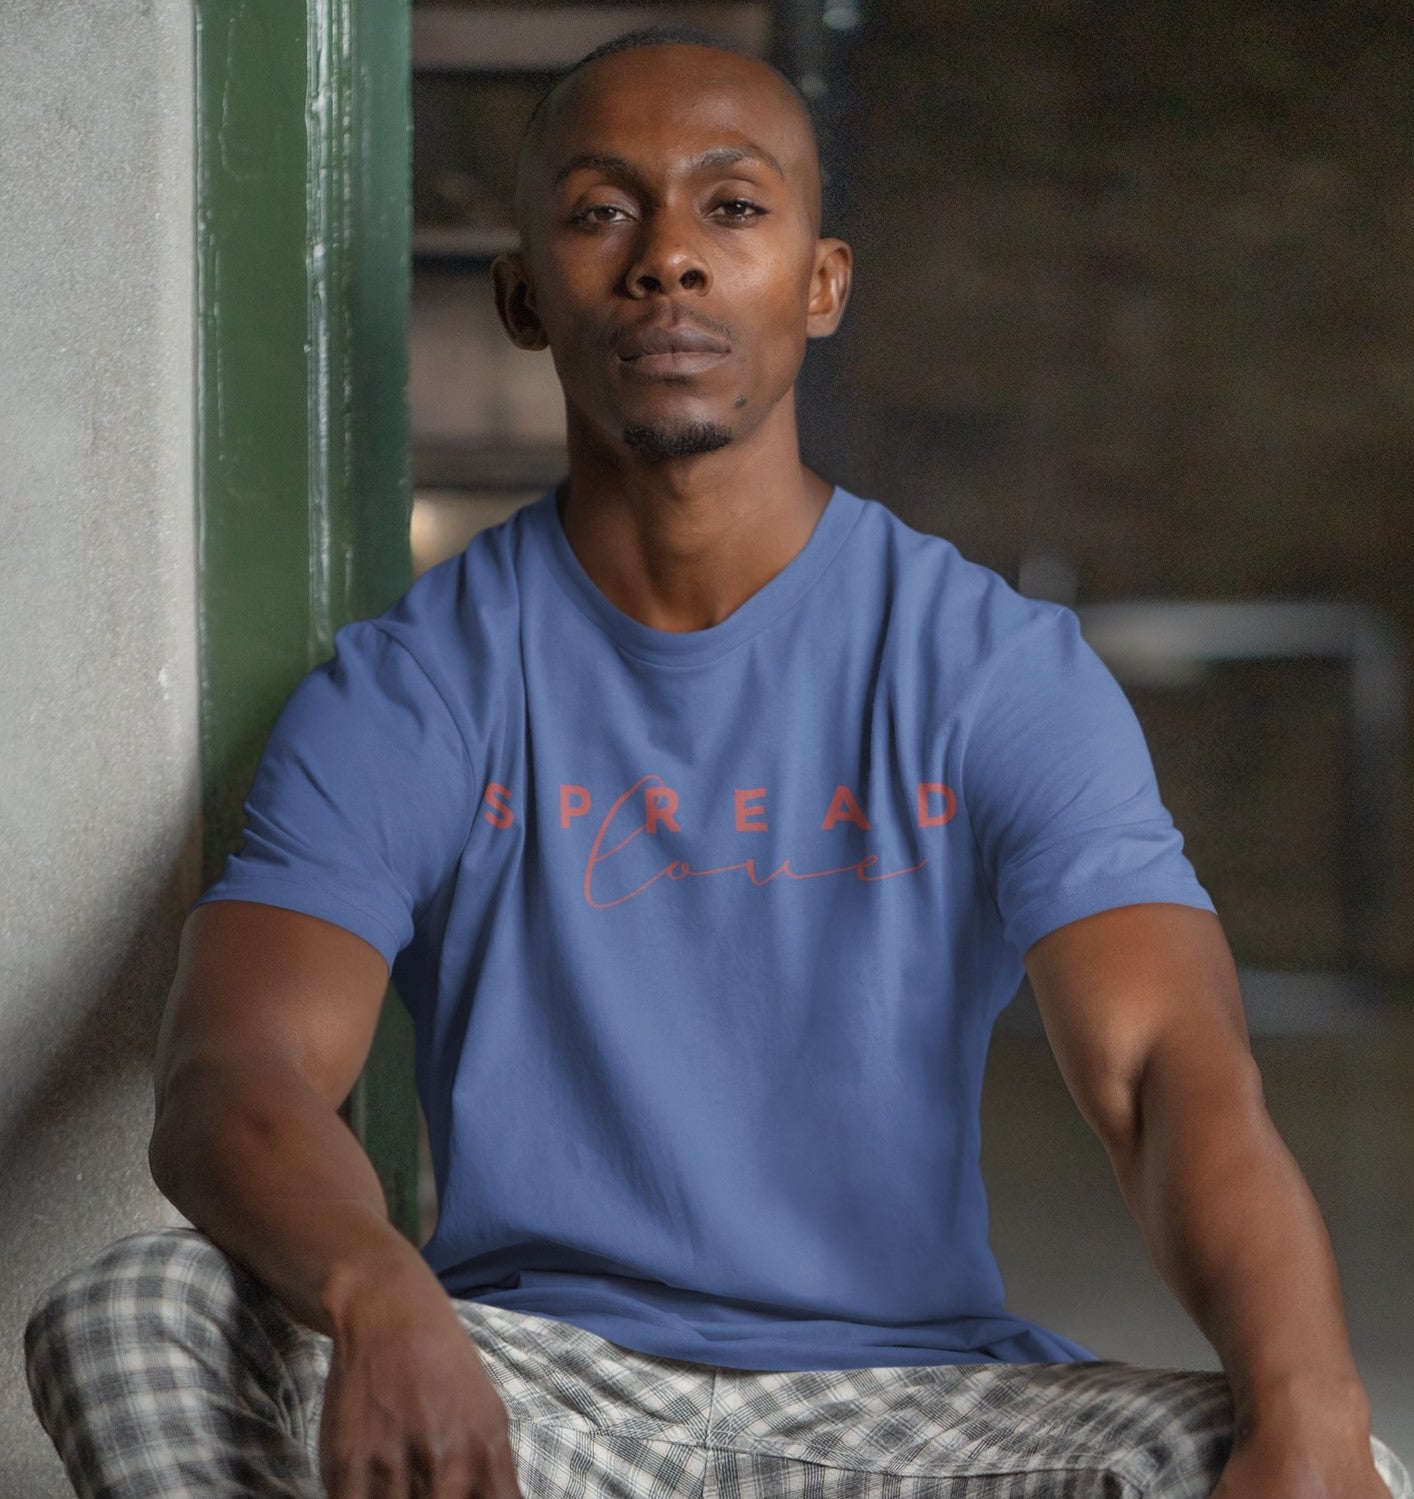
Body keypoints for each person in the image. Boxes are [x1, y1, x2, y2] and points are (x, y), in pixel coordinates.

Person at [24, 25, 1410, 1499]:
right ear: (521, 296)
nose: (665, 259)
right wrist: (380, 1293)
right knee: (133, 1318)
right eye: (599, 210)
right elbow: (231, 1070)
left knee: (1297, 1452)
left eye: (730, 209)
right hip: (543, 1397)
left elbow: (1163, 1075)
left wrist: (1311, 1408)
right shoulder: (414, 687)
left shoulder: (990, 666)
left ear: (820, 286)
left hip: (907, 1407)